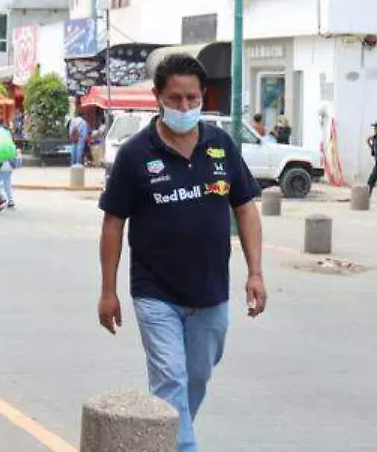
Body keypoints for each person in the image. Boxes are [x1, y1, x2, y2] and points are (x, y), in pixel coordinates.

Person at [97, 53, 267, 452]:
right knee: (170, 380)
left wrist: (255, 271)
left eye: (192, 98)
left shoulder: (220, 145)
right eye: (175, 99)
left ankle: (160, 439)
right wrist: (108, 290)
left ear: (203, 96)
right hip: (155, 291)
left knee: (196, 378)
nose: (185, 107)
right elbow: (113, 222)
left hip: (211, 292)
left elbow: (245, 207)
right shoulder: (136, 153)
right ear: (158, 97)